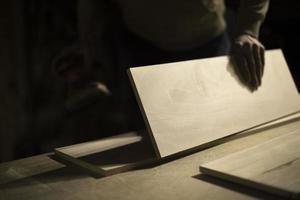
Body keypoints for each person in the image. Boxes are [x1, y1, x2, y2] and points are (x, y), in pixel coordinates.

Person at [53, 0, 269, 128]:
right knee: (144, 146)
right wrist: (87, 42)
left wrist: (248, 29)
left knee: (216, 138)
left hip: (207, 41)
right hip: (140, 45)